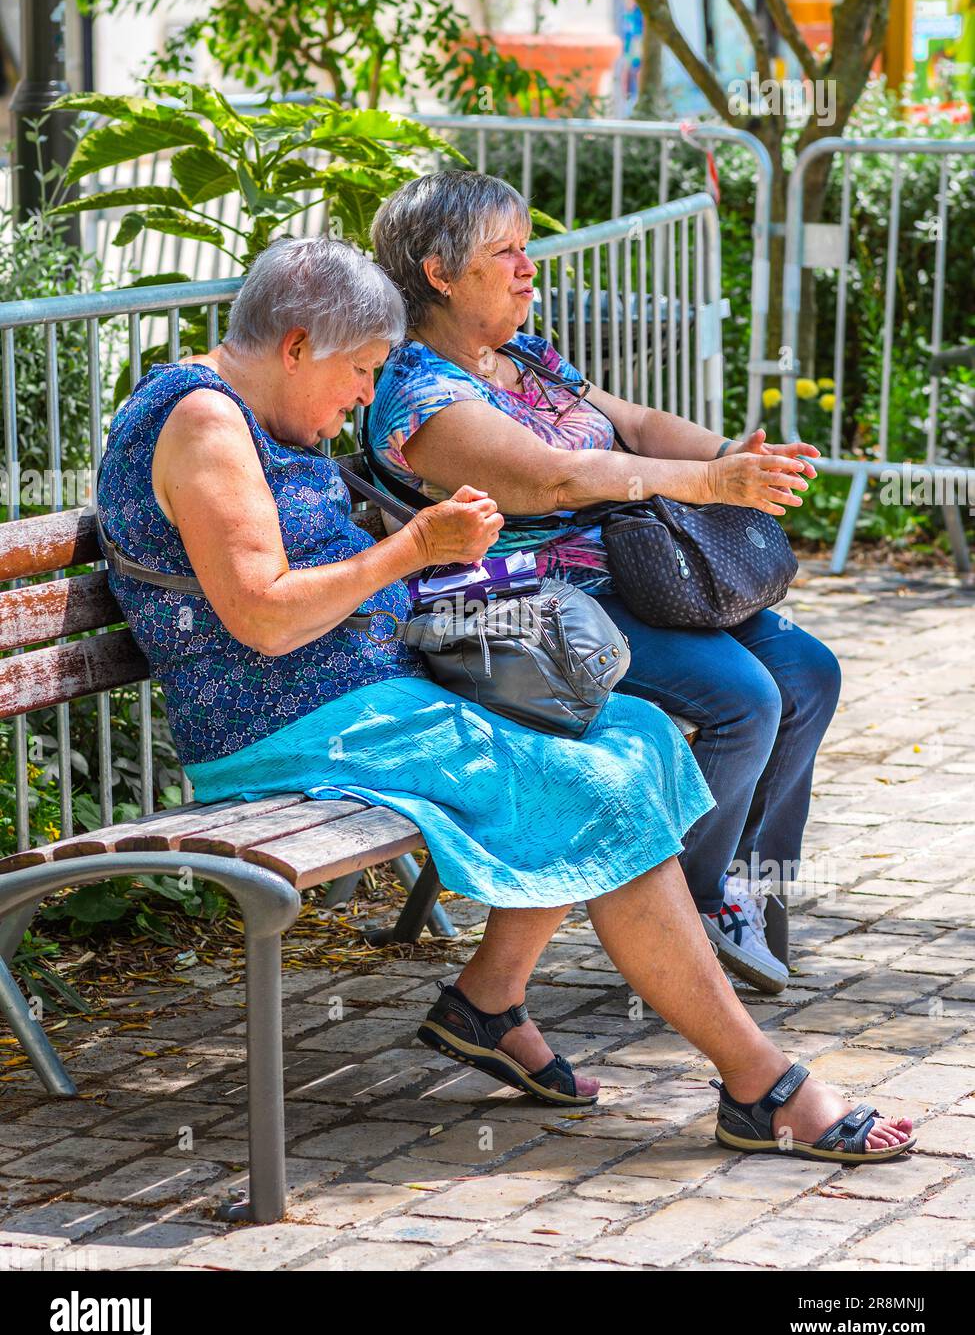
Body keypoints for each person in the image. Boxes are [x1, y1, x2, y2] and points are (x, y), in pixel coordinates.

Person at [95, 236, 913, 1162]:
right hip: (284, 728)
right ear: (296, 346)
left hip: (368, 700)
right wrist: (410, 552)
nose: (364, 396)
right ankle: (759, 1083)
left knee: (635, 729)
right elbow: (265, 621)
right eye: (359, 372)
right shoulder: (206, 423)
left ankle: (487, 1000)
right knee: (593, 788)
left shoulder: (255, 411)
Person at [367, 170, 843, 996]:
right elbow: (553, 480)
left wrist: (731, 456)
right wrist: (701, 487)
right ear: (438, 273)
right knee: (744, 698)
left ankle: (747, 885)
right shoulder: (421, 395)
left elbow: (630, 424)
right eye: (504, 252)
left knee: (807, 672)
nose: (528, 268)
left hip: (635, 579)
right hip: (527, 607)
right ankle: (693, 906)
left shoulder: (520, 352)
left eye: (526, 247)